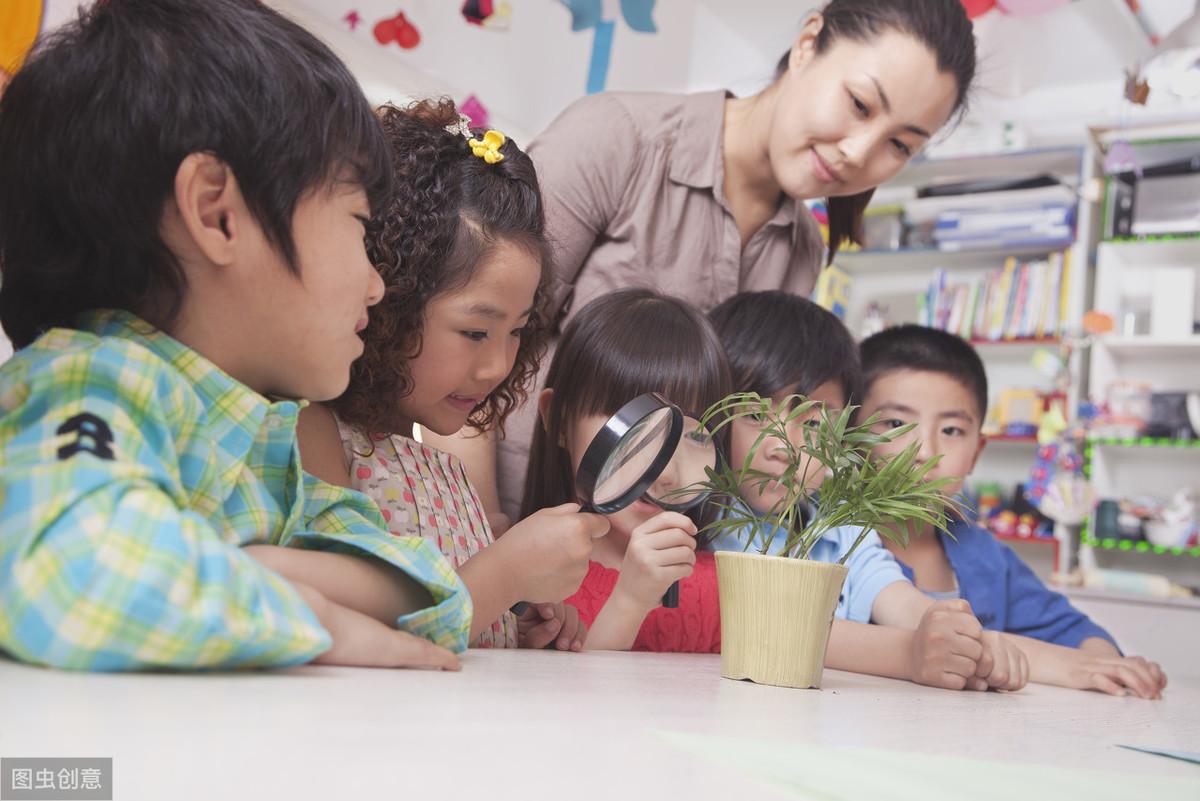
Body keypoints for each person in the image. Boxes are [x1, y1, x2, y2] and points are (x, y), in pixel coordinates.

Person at [0, 0, 468, 671]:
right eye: (361, 226)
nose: (376, 285)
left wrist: (254, 565)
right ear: (218, 212)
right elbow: (75, 568)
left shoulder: (259, 436)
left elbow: (432, 588)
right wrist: (312, 615)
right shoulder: (92, 379)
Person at [429, 0, 980, 524]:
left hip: (655, 551)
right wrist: (484, 525)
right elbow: (471, 345)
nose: (859, 152)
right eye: (860, 104)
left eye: (900, 145)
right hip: (513, 510)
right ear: (809, 43)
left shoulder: (802, 250)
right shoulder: (619, 139)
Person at [524, 289, 1025, 693]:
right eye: (630, 428)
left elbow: (800, 636)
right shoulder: (538, 558)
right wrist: (631, 596)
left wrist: (938, 644)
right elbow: (583, 698)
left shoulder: (709, 573)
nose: (659, 466)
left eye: (691, 433)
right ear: (557, 420)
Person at [297, 100, 606, 652]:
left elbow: (460, 613)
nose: (498, 366)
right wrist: (506, 575)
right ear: (386, 300)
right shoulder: (315, 431)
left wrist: (511, 620)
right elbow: (344, 627)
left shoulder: (442, 468)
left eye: (518, 331)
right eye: (474, 332)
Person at [858, 324, 1169, 698]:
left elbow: (1074, 632)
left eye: (952, 430)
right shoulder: (831, 545)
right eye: (895, 424)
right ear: (847, 434)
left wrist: (1103, 665)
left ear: (977, 452)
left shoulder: (987, 556)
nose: (924, 451)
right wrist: (1065, 666)